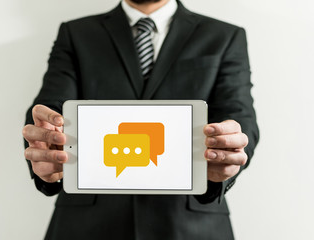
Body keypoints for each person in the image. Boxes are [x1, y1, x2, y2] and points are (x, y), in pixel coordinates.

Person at [22, 0, 259, 239]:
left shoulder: (224, 35)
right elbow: (50, 107)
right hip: (90, 223)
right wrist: (45, 137)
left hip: (189, 223)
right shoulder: (76, 33)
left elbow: (239, 115)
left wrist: (230, 147)